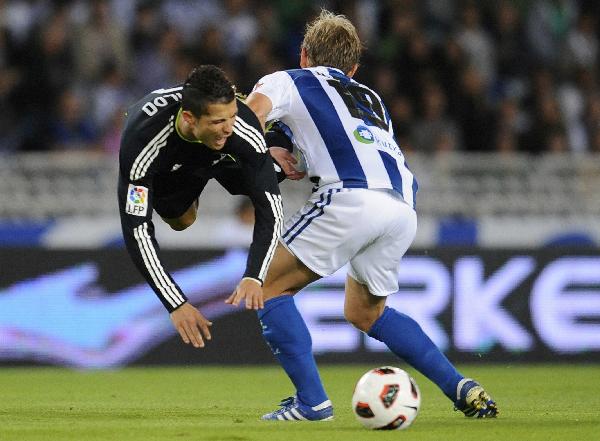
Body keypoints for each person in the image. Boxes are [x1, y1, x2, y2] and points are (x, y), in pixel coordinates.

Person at [232, 10, 498, 421]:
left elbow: (246, 119)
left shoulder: (286, 79)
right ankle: (459, 385)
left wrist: (264, 149)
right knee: (365, 311)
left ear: (304, 55)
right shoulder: (371, 99)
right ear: (353, 68)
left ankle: (312, 404)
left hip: (349, 198)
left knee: (266, 287)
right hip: (401, 207)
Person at [118, 65, 283, 348]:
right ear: (190, 118)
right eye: (219, 120)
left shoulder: (239, 130)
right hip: (171, 169)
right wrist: (176, 303)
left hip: (224, 157)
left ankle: (274, 152)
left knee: (274, 170)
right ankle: (205, 178)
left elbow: (272, 210)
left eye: (232, 115)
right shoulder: (142, 143)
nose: (229, 127)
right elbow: (137, 231)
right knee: (182, 221)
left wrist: (255, 274)